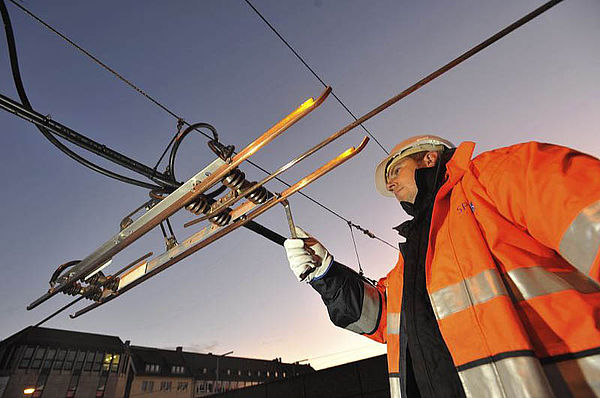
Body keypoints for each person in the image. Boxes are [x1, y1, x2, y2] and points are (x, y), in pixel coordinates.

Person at [284, 136, 600, 398]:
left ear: (429, 159)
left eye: (396, 170)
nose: (390, 183)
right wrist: (325, 272)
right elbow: (378, 318)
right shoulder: (411, 258)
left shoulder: (495, 176)